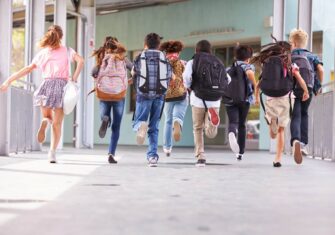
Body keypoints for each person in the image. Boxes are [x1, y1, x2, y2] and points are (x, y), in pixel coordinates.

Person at [0, 25, 84, 163]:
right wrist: (74, 78)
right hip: (62, 87)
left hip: (46, 86)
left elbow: (27, 69)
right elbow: (81, 61)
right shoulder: (68, 50)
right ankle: (52, 152)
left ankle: (45, 121)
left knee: (47, 116)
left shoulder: (43, 53)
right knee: (57, 124)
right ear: (61, 36)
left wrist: (8, 81)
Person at [253, 37, 309, 167]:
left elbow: (258, 85)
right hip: (286, 98)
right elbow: (300, 79)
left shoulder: (267, 63)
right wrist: (305, 91)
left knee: (273, 132)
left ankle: (272, 121)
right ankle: (279, 158)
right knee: (281, 130)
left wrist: (256, 97)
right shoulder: (290, 64)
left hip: (270, 97)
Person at [183, 40, 228, 167]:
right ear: (210, 50)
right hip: (214, 100)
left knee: (198, 128)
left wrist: (188, 87)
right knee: (211, 133)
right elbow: (227, 79)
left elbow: (186, 77)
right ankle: (212, 122)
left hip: (198, 99)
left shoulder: (193, 61)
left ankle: (200, 156)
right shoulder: (218, 61)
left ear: (196, 50)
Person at [132, 33, 172, 167]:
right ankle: (152, 157)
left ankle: (140, 126)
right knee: (154, 127)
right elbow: (169, 76)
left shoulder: (140, 57)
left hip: (143, 94)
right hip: (160, 95)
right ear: (158, 45)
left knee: (138, 121)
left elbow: (134, 72)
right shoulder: (164, 58)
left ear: (146, 44)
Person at [92, 37, 131, 164]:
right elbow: (135, 69)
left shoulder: (102, 58)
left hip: (104, 93)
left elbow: (93, 72)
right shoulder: (123, 58)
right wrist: (129, 80)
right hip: (119, 94)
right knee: (116, 126)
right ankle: (111, 153)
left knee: (104, 115)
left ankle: (105, 119)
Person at [289, 29, 324, 157]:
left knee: (295, 115)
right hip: (308, 87)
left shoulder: (289, 56)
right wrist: (318, 86)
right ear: (304, 42)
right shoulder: (312, 56)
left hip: (293, 88)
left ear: (293, 42)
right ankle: (303, 144)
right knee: (304, 114)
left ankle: (295, 140)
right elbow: (321, 69)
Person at [224, 45, 257, 161]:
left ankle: (232, 133)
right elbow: (249, 74)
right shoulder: (248, 66)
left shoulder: (228, 69)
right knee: (242, 124)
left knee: (233, 122)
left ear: (235, 56)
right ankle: (240, 152)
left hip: (229, 99)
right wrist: (255, 86)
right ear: (248, 58)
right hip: (245, 99)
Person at [159, 40, 188, 157]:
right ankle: (178, 122)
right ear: (178, 51)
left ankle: (167, 148)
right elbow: (188, 78)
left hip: (167, 96)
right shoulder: (182, 63)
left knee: (167, 121)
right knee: (178, 116)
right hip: (181, 94)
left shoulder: (164, 63)